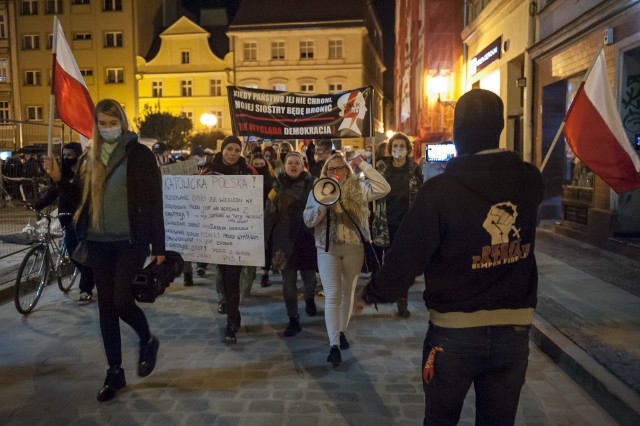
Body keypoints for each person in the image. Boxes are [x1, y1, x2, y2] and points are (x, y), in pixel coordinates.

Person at [358, 89, 544, 425]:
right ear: (499, 128)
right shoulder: (530, 179)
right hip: (513, 328)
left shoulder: (440, 191)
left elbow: (406, 257)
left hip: (454, 332)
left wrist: (372, 293)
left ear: (458, 133)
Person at [73, 99, 165, 402]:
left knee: (122, 299)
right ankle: (115, 372)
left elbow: (154, 202)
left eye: (113, 123)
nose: (108, 128)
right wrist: (59, 180)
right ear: (96, 125)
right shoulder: (89, 156)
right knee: (106, 308)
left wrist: (159, 245)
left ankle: (147, 339)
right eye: (103, 123)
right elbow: (77, 198)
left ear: (122, 123)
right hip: (99, 242)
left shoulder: (139, 154)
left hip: (131, 240)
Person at [304, 153, 390, 365]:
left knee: (348, 291)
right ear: (326, 172)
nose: (336, 173)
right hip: (327, 247)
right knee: (332, 294)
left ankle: (341, 330)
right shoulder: (318, 189)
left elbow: (383, 188)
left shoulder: (358, 188)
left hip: (353, 247)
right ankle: (334, 344)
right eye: (331, 169)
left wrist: (363, 164)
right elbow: (308, 220)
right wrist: (323, 204)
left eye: (340, 168)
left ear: (347, 169)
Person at [206, 135, 257, 344]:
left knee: (232, 279)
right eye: (229, 149)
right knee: (224, 277)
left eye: (237, 150)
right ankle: (233, 315)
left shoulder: (247, 171)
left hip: (237, 234)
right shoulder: (208, 171)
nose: (233, 153)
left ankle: (231, 323)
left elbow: (256, 199)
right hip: (216, 233)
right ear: (222, 150)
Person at [371, 132, 424, 317]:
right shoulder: (381, 168)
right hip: (385, 222)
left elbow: (420, 195)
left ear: (408, 150)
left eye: (402, 146)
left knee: (403, 264)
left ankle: (402, 300)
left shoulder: (415, 169)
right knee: (387, 262)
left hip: (406, 223)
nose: (398, 150)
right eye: (395, 146)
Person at [266, 152, 318, 337]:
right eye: (290, 163)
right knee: (288, 282)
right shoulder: (276, 187)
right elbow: (269, 214)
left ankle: (310, 299)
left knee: (309, 278)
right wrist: (264, 241)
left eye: (297, 162)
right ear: (285, 166)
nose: (293, 166)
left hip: (307, 239)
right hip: (283, 241)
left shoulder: (313, 185)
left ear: (303, 165)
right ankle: (293, 318)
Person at [38, 142, 96, 305]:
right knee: (73, 253)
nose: (66, 158)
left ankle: (85, 289)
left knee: (83, 254)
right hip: (66, 218)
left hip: (82, 219)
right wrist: (39, 203)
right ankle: (90, 274)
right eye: (64, 155)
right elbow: (54, 190)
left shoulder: (84, 174)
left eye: (70, 155)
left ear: (78, 156)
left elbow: (79, 196)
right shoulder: (63, 174)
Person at [251, 153, 277, 288]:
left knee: (267, 246)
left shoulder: (273, 180)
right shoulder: (248, 178)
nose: (260, 167)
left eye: (262, 165)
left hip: (268, 217)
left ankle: (264, 273)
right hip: (251, 217)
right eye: (256, 165)